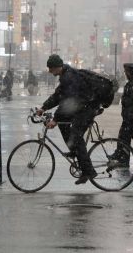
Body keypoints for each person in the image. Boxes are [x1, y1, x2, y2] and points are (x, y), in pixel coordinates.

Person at [36, 54, 98, 185]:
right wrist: (43, 108)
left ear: (58, 67)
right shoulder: (65, 76)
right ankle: (74, 150)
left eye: (51, 68)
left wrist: (55, 118)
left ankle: (89, 171)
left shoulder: (70, 77)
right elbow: (58, 96)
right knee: (63, 125)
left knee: (76, 135)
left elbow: (68, 102)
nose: (49, 71)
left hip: (88, 107)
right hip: (81, 106)